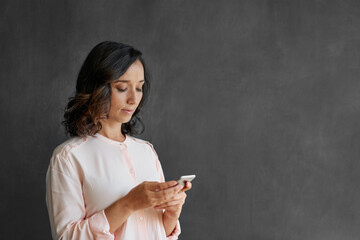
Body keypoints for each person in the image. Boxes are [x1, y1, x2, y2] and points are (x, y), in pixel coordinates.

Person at [45, 41, 192, 240]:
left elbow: (159, 233)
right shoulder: (68, 158)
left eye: (139, 88)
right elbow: (67, 237)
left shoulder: (146, 152)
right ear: (97, 88)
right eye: (122, 88)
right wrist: (129, 203)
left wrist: (172, 215)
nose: (133, 99)